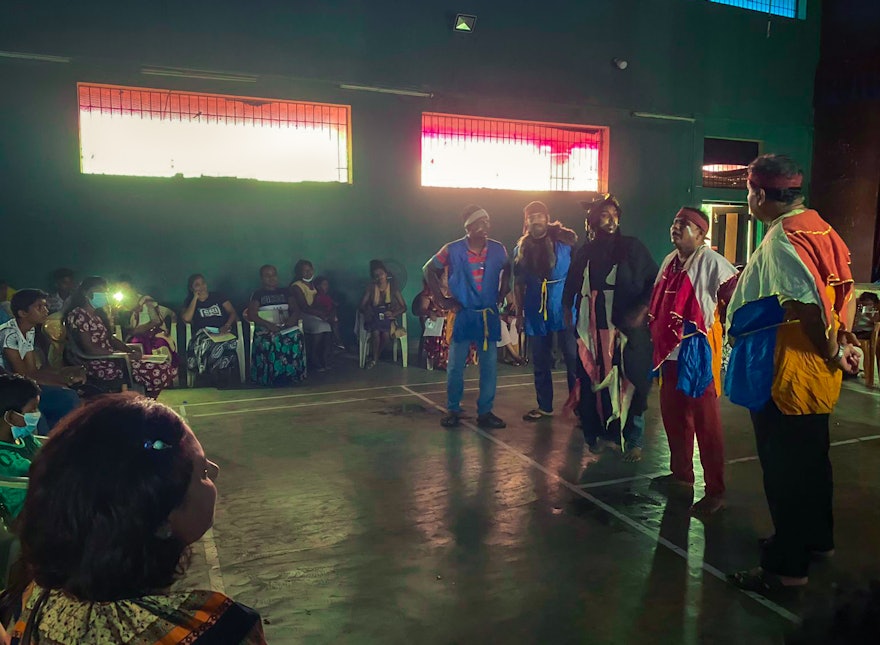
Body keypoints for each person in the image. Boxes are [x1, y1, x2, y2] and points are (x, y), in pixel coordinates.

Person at [4, 393, 267, 643]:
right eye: (203, 472)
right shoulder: (219, 630)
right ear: (161, 518)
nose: (216, 471)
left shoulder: (29, 597)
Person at [725, 154, 859, 595]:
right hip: (813, 368)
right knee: (812, 459)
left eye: (748, 191)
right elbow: (843, 290)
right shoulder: (821, 226)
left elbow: (807, 305)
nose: (748, 199)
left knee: (786, 469)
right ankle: (815, 540)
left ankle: (787, 566)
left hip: (790, 368)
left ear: (760, 194)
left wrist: (835, 347)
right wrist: (847, 340)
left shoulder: (785, 237)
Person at [648, 207, 739, 515]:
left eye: (684, 224)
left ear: (701, 234)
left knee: (706, 423)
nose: (676, 228)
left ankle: (716, 490)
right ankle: (682, 475)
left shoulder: (713, 262)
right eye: (675, 222)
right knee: (673, 417)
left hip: (697, 351)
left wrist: (733, 328)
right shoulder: (668, 262)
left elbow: (736, 296)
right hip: (669, 352)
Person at [562, 194, 658, 461]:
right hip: (594, 329)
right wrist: (567, 311)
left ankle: (634, 438)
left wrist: (641, 310)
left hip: (626, 329)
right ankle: (601, 435)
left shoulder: (633, 248)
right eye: (604, 214)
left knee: (631, 379)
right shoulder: (586, 251)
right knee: (596, 380)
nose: (611, 220)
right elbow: (571, 285)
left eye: (615, 214)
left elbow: (654, 282)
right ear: (593, 221)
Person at [424, 204, 511, 429]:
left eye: (488, 222)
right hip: (463, 313)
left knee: (489, 365)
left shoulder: (498, 249)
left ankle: (485, 412)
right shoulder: (452, 250)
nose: (486, 226)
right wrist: (442, 300)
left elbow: (508, 267)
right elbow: (428, 269)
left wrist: (504, 289)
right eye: (481, 222)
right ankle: (453, 409)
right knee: (455, 365)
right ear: (469, 226)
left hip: (487, 314)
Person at [514, 201, 579, 422]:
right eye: (531, 217)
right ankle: (545, 405)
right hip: (535, 308)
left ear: (547, 218)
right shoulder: (522, 248)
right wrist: (519, 314)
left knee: (572, 357)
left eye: (539, 216)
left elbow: (579, 273)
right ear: (526, 221)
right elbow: (518, 283)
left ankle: (580, 407)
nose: (536, 220)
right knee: (540, 359)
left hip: (563, 305)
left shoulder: (565, 242)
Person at [63, 277, 178, 397]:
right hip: (97, 364)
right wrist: (119, 356)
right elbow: (90, 349)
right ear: (86, 293)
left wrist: (129, 351)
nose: (104, 295)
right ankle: (145, 402)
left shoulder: (97, 314)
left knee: (163, 366)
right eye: (99, 291)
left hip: (112, 359)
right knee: (158, 371)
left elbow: (111, 339)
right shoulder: (79, 315)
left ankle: (145, 402)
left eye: (105, 291)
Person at [0, 289, 84, 430]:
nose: (46, 310)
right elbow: (22, 375)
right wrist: (60, 381)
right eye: (39, 307)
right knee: (57, 403)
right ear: (23, 313)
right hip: (7, 387)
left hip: (19, 384)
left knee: (69, 396)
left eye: (45, 306)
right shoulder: (9, 333)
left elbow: (32, 371)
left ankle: (60, 440)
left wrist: (64, 377)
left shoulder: (29, 331)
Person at [249, 264, 306, 385]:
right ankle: (274, 376)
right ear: (262, 278)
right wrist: (269, 325)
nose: (271, 278)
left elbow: (296, 310)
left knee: (296, 336)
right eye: (267, 276)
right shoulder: (258, 294)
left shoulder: (286, 292)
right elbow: (252, 314)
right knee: (273, 339)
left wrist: (290, 322)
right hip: (266, 328)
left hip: (285, 326)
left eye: (273, 275)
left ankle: (291, 374)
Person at [182, 274, 240, 388]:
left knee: (229, 343)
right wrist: (195, 298)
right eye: (197, 285)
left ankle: (222, 374)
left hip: (222, 330)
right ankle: (212, 376)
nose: (201, 287)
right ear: (191, 288)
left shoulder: (218, 296)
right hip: (203, 333)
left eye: (203, 283)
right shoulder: (189, 301)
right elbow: (186, 318)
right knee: (208, 343)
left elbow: (232, 312)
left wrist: (227, 325)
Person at [0, 374, 42, 523]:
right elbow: (20, 514)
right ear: (11, 416)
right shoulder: (5, 461)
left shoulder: (24, 438)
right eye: (32, 410)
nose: (37, 415)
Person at [119, 279, 180, 370]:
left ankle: (162, 374)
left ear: (133, 289)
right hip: (135, 336)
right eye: (123, 290)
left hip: (155, 333)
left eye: (127, 289)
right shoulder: (120, 307)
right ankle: (140, 375)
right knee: (134, 345)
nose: (126, 292)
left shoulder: (147, 301)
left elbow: (156, 321)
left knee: (160, 344)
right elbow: (126, 327)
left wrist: (141, 329)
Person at [359, 260, 407, 369]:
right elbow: (361, 305)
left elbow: (404, 307)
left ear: (386, 274)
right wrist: (368, 311)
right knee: (376, 332)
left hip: (388, 318)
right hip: (374, 318)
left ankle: (374, 357)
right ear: (374, 277)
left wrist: (393, 313)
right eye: (376, 275)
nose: (379, 277)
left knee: (386, 335)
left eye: (381, 274)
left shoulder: (393, 288)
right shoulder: (371, 288)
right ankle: (374, 360)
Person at [290, 260, 333, 371]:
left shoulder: (314, 285)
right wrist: (320, 313)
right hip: (303, 315)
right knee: (319, 326)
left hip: (315, 314)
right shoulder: (296, 287)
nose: (308, 273)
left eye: (310, 270)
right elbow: (304, 307)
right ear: (299, 273)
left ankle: (324, 357)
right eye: (304, 271)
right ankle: (312, 357)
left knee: (328, 327)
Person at [313, 276, 346, 351]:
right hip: (325, 315)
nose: (327, 286)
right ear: (318, 286)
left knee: (337, 322)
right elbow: (317, 307)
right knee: (334, 325)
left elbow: (333, 303)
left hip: (331, 314)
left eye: (327, 284)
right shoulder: (318, 297)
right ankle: (337, 341)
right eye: (324, 284)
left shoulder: (327, 296)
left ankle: (337, 342)